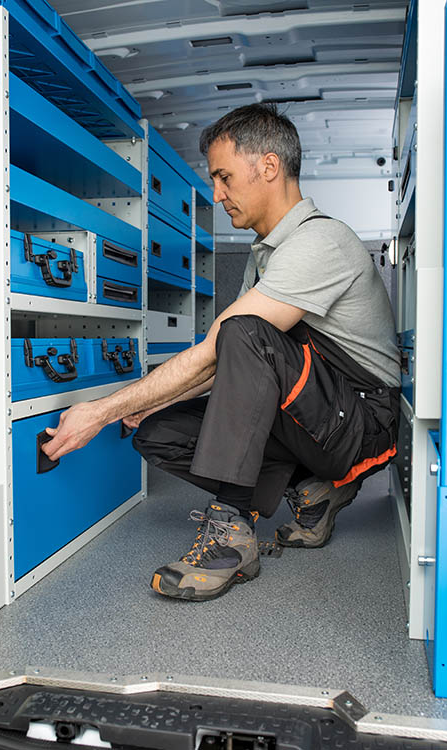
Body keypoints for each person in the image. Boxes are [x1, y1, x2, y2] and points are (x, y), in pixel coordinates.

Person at [42, 103, 401, 603]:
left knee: (243, 331)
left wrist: (101, 412)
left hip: (362, 423)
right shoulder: (267, 252)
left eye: (224, 177)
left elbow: (230, 344)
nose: (216, 194)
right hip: (314, 415)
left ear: (269, 167)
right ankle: (314, 490)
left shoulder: (321, 241)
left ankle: (232, 536)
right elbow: (234, 363)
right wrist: (150, 402)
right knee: (158, 432)